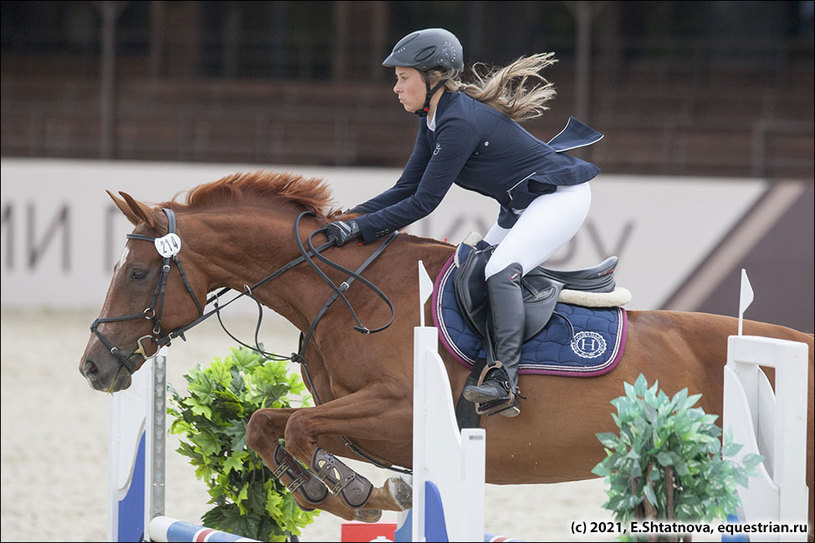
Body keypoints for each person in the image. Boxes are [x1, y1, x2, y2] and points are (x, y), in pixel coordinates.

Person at [324, 28, 603, 417]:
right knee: (470, 269)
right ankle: (479, 360)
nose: (396, 88)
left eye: (404, 78)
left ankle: (504, 379)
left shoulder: (458, 123)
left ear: (433, 78)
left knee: (501, 268)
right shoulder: (434, 119)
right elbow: (405, 187)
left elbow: (423, 202)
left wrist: (360, 229)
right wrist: (348, 218)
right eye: (397, 79)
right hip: (522, 204)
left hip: (560, 196)